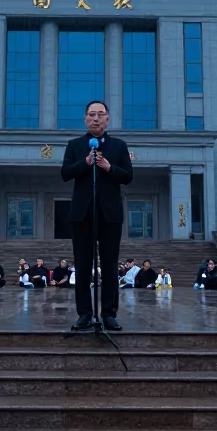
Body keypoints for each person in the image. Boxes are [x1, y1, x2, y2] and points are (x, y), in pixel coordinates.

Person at [61, 100, 133, 332]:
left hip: (110, 215)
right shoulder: (74, 145)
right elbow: (65, 173)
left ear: (107, 119)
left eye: (100, 114)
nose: (96, 118)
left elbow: (128, 176)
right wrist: (86, 162)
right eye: (91, 114)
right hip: (82, 214)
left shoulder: (119, 146)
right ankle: (84, 314)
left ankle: (109, 315)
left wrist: (109, 167)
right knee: (82, 266)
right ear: (85, 119)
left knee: (110, 266)